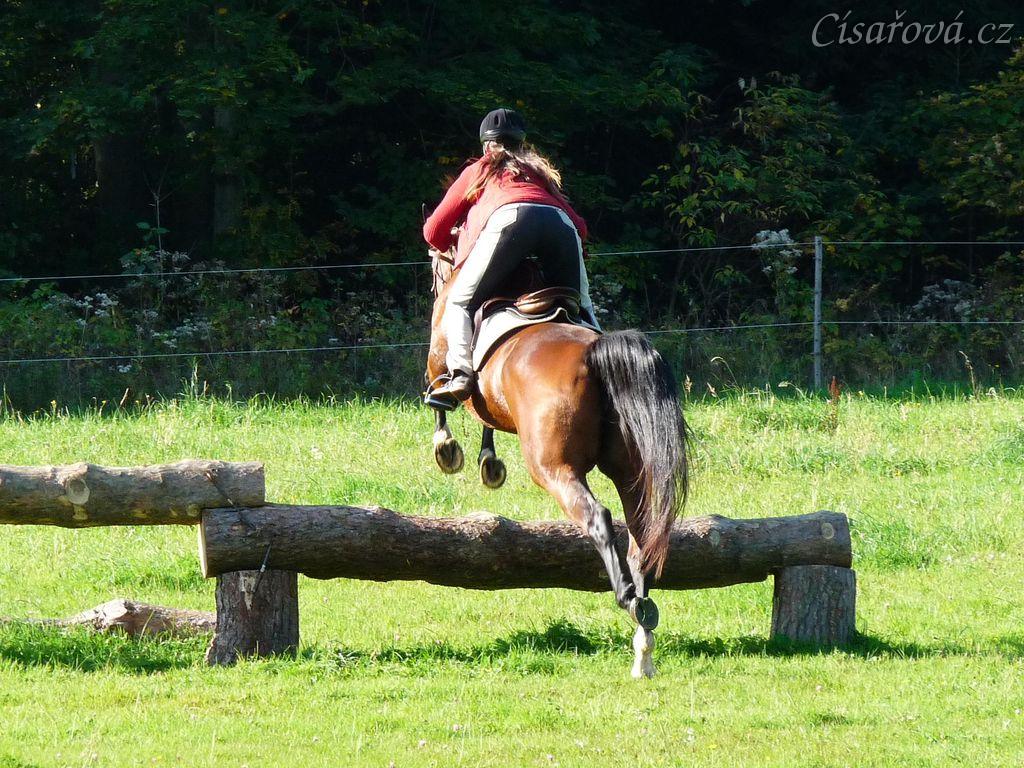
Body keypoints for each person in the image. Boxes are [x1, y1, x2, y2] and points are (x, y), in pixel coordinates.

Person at [423, 107, 600, 402]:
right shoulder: (539, 174)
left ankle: (460, 375)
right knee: (581, 305)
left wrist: (456, 238)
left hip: (510, 220)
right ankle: (606, 367)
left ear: (486, 146)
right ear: (522, 144)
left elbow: (433, 232)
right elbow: (580, 227)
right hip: (561, 224)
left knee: (460, 301)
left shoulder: (479, 169)